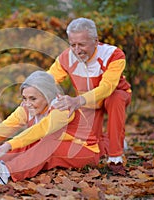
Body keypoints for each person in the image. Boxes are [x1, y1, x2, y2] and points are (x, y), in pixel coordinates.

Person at [0, 70, 102, 184]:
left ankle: (6, 171)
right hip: (60, 147)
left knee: (45, 141)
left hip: (84, 151)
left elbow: (41, 129)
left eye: (33, 98)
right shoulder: (27, 107)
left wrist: (7, 145)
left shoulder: (62, 107)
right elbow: (8, 125)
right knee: (27, 140)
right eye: (25, 98)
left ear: (48, 96)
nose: (27, 103)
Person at [47, 17, 132, 175]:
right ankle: (112, 141)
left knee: (115, 98)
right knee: (92, 146)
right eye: (73, 45)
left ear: (95, 40)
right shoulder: (66, 57)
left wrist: (78, 100)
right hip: (87, 103)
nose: (77, 50)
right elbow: (48, 80)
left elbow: (107, 87)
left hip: (112, 96)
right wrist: (31, 92)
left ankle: (116, 158)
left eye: (82, 44)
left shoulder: (114, 54)